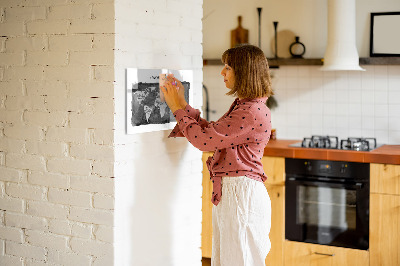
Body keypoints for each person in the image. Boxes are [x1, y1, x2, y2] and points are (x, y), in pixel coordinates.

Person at [161, 44, 273, 266]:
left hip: (241, 195)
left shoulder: (250, 111)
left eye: (228, 67)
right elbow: (212, 133)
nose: (222, 72)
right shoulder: (246, 106)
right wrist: (182, 104)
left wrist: (176, 108)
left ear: (244, 72)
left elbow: (204, 141)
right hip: (236, 193)